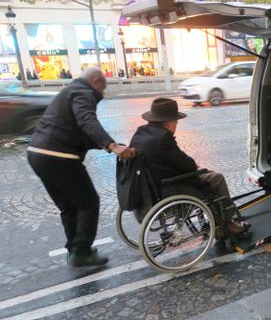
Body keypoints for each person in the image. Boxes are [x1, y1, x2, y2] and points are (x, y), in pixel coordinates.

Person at [27, 67, 135, 267]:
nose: (102, 93)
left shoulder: (70, 91)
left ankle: (74, 250)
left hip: (37, 153)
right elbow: (87, 121)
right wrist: (111, 145)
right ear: (95, 81)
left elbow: (81, 132)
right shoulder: (83, 93)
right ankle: (82, 251)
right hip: (59, 155)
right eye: (102, 88)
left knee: (69, 206)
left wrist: (112, 146)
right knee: (89, 202)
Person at [129, 98, 250, 239]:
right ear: (169, 122)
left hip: (151, 185)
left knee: (207, 176)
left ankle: (216, 220)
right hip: (168, 186)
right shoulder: (163, 139)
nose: (176, 125)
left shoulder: (140, 134)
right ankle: (227, 224)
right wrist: (196, 168)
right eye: (176, 122)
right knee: (216, 178)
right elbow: (187, 165)